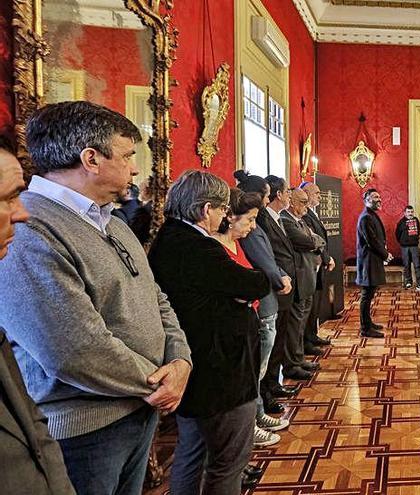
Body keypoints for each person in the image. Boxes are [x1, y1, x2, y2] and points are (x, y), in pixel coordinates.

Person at [0, 101, 192, 495]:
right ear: (91, 158)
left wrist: (180, 359)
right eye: (127, 155)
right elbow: (72, 347)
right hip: (84, 429)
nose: (135, 168)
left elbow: (155, 296)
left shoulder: (112, 221)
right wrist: (158, 382)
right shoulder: (31, 228)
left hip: (139, 410)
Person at [149, 170, 269, 495]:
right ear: (206, 210)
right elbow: (256, 283)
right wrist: (243, 291)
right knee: (228, 462)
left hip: (196, 364)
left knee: (192, 454)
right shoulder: (197, 246)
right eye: (221, 210)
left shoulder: (168, 238)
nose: (224, 216)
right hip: (220, 373)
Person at [0, 135, 75, 494]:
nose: (22, 212)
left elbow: (32, 426)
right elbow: (67, 346)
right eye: (9, 197)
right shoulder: (37, 238)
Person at [214, 188, 288, 450]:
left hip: (252, 318)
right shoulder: (216, 247)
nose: (253, 226)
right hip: (236, 328)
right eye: (250, 219)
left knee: (258, 371)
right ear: (230, 216)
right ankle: (250, 427)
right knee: (253, 374)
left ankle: (256, 417)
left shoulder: (236, 242)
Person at [235, 172, 293, 433]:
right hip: (262, 301)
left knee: (262, 362)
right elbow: (262, 259)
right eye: (267, 194)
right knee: (257, 367)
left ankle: (257, 412)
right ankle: (254, 418)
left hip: (266, 299)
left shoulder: (255, 224)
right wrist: (279, 277)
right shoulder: (249, 228)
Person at [255, 175, 302, 401]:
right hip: (276, 286)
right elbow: (268, 255)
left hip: (285, 284)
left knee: (280, 338)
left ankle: (274, 384)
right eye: (287, 191)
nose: (290, 195)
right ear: (278, 195)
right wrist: (280, 277)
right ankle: (267, 391)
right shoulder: (264, 219)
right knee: (272, 344)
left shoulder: (276, 218)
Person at [279, 188, 325, 380]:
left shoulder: (301, 221)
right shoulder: (287, 222)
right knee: (294, 326)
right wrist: (313, 241)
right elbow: (307, 241)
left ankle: (299, 359)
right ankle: (292, 364)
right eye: (303, 202)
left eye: (307, 202)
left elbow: (318, 240)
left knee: (301, 324)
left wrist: (314, 241)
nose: (307, 206)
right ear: (292, 203)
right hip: (298, 279)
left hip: (307, 278)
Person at [301, 181, 335, 353]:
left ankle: (312, 335)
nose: (320, 197)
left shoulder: (312, 213)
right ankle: (306, 341)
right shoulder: (304, 215)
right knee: (309, 305)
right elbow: (313, 241)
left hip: (319, 264)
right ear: (305, 194)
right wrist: (326, 258)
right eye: (317, 193)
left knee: (315, 304)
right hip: (311, 265)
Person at [356, 189, 392, 338]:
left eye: (379, 196)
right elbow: (372, 241)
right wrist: (386, 255)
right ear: (366, 199)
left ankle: (368, 322)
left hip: (373, 260)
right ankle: (365, 328)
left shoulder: (371, 215)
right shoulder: (365, 217)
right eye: (375, 197)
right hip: (368, 262)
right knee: (366, 295)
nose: (379, 199)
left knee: (369, 295)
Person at [395, 205, 420, 290]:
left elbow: (418, 232)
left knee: (417, 265)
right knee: (406, 265)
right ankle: (408, 282)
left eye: (411, 212)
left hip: (414, 246)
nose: (410, 213)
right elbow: (397, 234)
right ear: (405, 213)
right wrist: (402, 242)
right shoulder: (401, 222)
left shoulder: (416, 220)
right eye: (408, 212)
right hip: (404, 247)